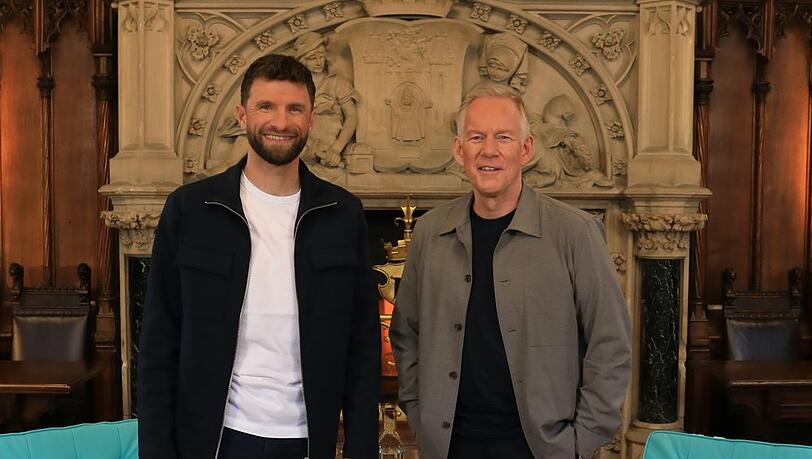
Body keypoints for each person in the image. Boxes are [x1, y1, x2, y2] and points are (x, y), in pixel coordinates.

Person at [137, 54, 381, 459]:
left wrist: (361, 447)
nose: (281, 122)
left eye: (294, 109)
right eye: (266, 106)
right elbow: (159, 342)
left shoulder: (344, 214)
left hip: (308, 439)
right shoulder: (190, 209)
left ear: (312, 119)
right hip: (218, 439)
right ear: (241, 114)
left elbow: (363, 346)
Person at [390, 81, 631, 459]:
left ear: (526, 148)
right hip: (450, 446)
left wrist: (580, 440)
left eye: (503, 137)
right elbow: (406, 333)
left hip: (542, 449)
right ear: (458, 150)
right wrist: (419, 414)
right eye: (476, 137)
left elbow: (610, 342)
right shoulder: (429, 232)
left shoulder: (575, 232)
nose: (489, 150)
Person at [293, 32, 359, 168]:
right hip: (298, 145)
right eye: (312, 58)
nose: (318, 62)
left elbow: (351, 117)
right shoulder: (293, 84)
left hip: (326, 147)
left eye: (321, 56)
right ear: (302, 60)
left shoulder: (337, 82)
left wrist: (336, 149)